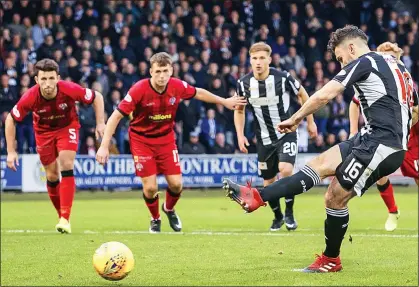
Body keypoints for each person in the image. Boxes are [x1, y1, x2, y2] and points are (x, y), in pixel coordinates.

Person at [222, 26, 418, 272]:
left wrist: (296, 118)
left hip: (382, 144)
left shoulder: (364, 61)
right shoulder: (400, 67)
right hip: (372, 137)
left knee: (335, 196)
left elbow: (326, 94)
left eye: (339, 58)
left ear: (350, 47)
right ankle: (257, 197)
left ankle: (331, 259)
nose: (341, 63)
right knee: (317, 165)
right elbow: (415, 109)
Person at [96, 52, 246, 233]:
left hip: (166, 140)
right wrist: (104, 146)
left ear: (171, 71)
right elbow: (115, 116)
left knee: (176, 185)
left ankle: (168, 209)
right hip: (141, 141)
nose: (161, 76)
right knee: (150, 188)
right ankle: (155, 218)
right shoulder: (139, 89)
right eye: (157, 71)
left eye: (165, 71)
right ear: (150, 72)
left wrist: (224, 101)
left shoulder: (176, 86)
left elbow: (198, 92)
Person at [5, 59, 105, 234]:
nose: (48, 84)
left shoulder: (69, 89)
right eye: (43, 79)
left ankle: (65, 217)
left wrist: (100, 123)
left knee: (66, 164)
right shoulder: (30, 96)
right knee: (51, 175)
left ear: (58, 78)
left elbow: (97, 97)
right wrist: (11, 151)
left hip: (68, 127)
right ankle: (62, 217)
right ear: (36, 80)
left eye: (51, 78)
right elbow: (10, 119)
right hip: (43, 133)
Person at [234, 42, 317, 231]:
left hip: (286, 133)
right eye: (254, 58)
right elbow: (239, 110)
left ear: (269, 60)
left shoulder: (283, 78)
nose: (258, 62)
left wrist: (310, 121)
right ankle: (278, 216)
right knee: (268, 182)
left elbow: (304, 95)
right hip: (263, 139)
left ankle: (289, 213)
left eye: (262, 58)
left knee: (286, 170)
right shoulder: (243, 83)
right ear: (250, 60)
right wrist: (240, 135)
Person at [349, 42, 419, 232]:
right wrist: (353, 131)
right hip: (385, 136)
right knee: (380, 174)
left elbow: (416, 110)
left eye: (392, 57)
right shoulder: (373, 79)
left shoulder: (406, 79)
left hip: (411, 137)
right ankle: (392, 211)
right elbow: (354, 103)